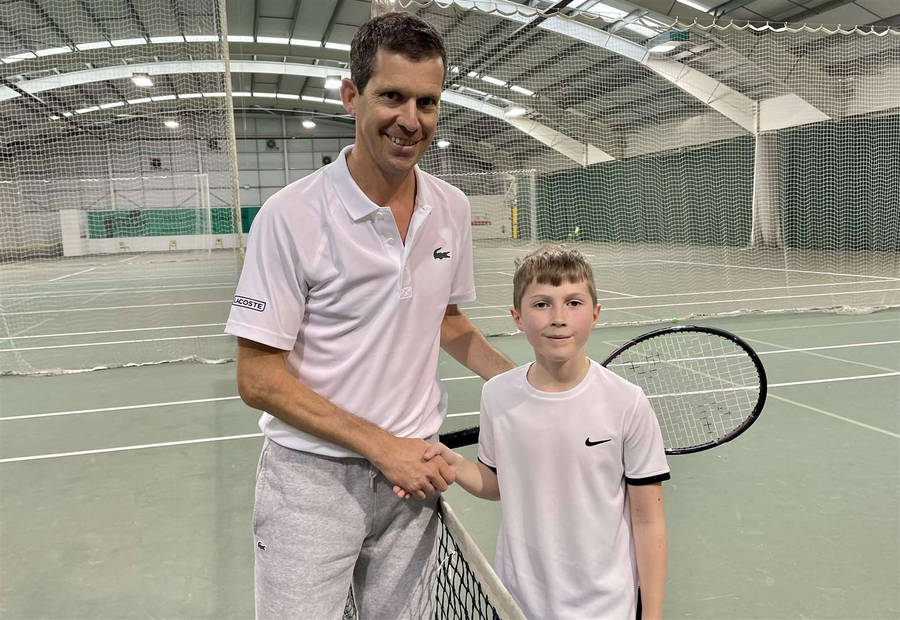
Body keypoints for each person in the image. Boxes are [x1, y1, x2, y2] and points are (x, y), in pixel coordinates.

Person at [225, 12, 514, 619]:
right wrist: (382, 447)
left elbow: (447, 320)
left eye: (427, 102)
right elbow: (257, 379)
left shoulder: (451, 209)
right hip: (312, 484)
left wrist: (519, 384)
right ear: (352, 96)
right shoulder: (290, 216)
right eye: (392, 96)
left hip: (416, 480)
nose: (411, 120)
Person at [398, 244, 669, 619]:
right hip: (517, 602)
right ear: (517, 317)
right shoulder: (498, 394)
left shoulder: (627, 402)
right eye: (541, 304)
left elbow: (648, 520)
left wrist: (651, 615)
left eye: (573, 303)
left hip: (605, 606)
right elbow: (497, 483)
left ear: (595, 313)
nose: (558, 317)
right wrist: (452, 462)